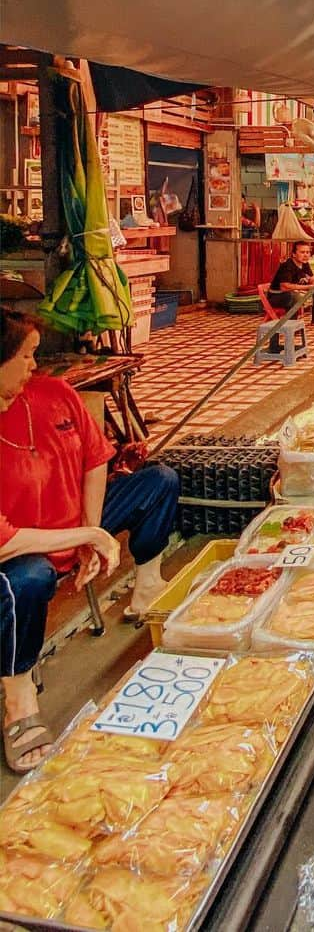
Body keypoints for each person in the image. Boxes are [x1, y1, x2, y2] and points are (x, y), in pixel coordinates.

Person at [0, 310, 180, 772]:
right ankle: (19, 704)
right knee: (28, 577)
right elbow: (4, 542)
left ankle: (147, 585)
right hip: (24, 551)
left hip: (75, 525)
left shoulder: (53, 393)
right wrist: (90, 535)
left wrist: (90, 532)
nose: (32, 368)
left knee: (158, 480)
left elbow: (94, 459)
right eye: (25, 357)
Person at [269, 240, 314, 324]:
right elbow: (284, 287)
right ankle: (292, 324)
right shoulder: (287, 266)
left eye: (307, 252)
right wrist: (308, 287)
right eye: (302, 252)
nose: (306, 255)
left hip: (293, 291)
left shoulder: (305, 264)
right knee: (295, 296)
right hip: (277, 296)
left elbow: (313, 279)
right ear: (294, 254)